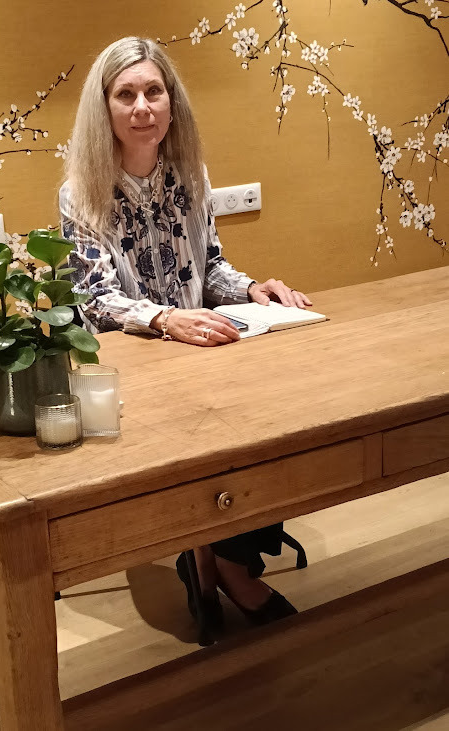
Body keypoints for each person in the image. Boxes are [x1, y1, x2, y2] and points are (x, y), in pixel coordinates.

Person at [60, 36, 312, 632]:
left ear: (171, 102)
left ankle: (225, 560)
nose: (142, 107)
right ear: (104, 108)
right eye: (125, 94)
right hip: (136, 358)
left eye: (154, 91)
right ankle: (208, 556)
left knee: (267, 416)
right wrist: (165, 318)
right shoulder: (82, 191)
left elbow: (210, 267)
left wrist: (252, 289)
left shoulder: (189, 175)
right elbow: (94, 298)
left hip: (203, 347)